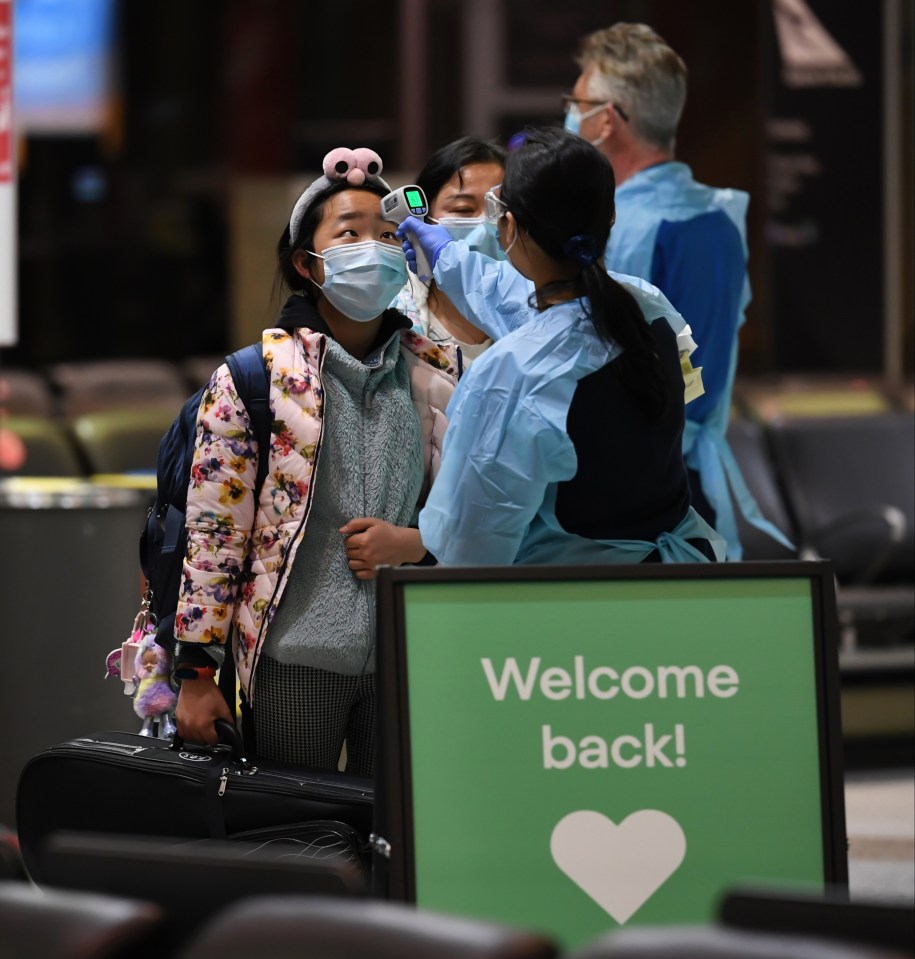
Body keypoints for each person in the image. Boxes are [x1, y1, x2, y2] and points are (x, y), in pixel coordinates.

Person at [172, 147, 455, 774]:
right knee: (294, 840)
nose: (374, 247)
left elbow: (468, 505)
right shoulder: (254, 379)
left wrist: (418, 543)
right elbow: (214, 529)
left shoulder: (430, 373)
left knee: (402, 845)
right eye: (349, 233)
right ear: (308, 262)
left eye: (387, 235)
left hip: (408, 656)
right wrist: (195, 672)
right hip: (294, 660)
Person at [398, 127, 726, 567]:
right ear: (608, 218)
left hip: (572, 604)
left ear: (508, 226)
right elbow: (531, 304)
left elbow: (468, 547)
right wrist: (447, 259)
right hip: (677, 584)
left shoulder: (510, 374)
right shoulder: (649, 310)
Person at [562, 22, 791, 560]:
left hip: (649, 491)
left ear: (608, 120)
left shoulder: (654, 224)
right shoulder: (706, 216)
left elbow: (683, 379)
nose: (569, 115)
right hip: (646, 477)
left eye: (576, 102)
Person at [392, 136, 507, 376]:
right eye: (463, 209)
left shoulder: (532, 315)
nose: (483, 224)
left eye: (497, 208)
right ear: (423, 218)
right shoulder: (392, 321)